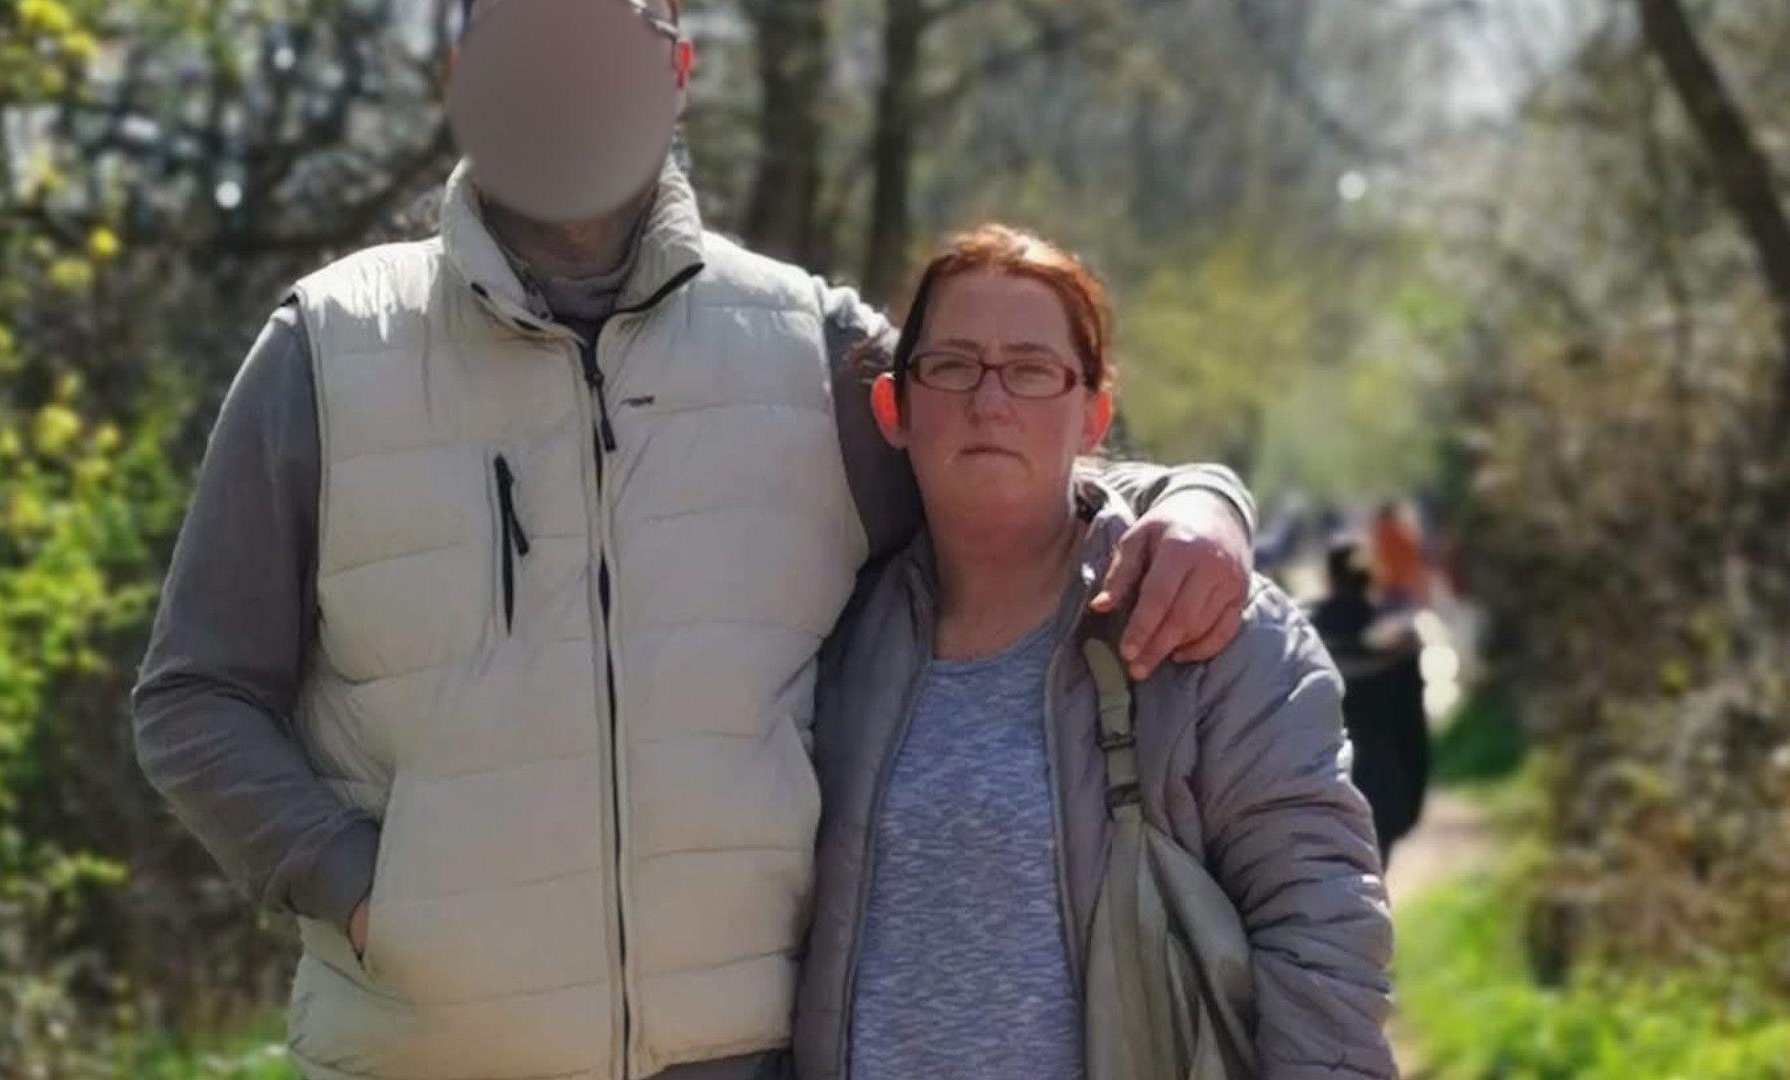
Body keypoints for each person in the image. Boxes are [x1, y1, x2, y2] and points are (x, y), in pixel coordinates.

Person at [129, 3, 1260, 1078]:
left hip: (743, 1058)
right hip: (423, 1054)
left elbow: (999, 438)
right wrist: (371, 895)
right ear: (464, 77)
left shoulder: (802, 344)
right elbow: (194, 698)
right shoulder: (328, 349)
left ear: (676, 73)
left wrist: (1200, 499)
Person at [794, 225, 1395, 1080]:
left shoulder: (1212, 625)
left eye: (1033, 370)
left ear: (1094, 414)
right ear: (895, 408)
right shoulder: (841, 639)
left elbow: (1324, 928)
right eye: (953, 365)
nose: (990, 402)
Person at [1310, 540, 1430, 867]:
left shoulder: (1303, 637)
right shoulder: (1398, 640)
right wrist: (1412, 800)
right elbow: (1413, 728)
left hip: (1319, 789)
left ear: (1330, 578)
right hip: (1382, 788)